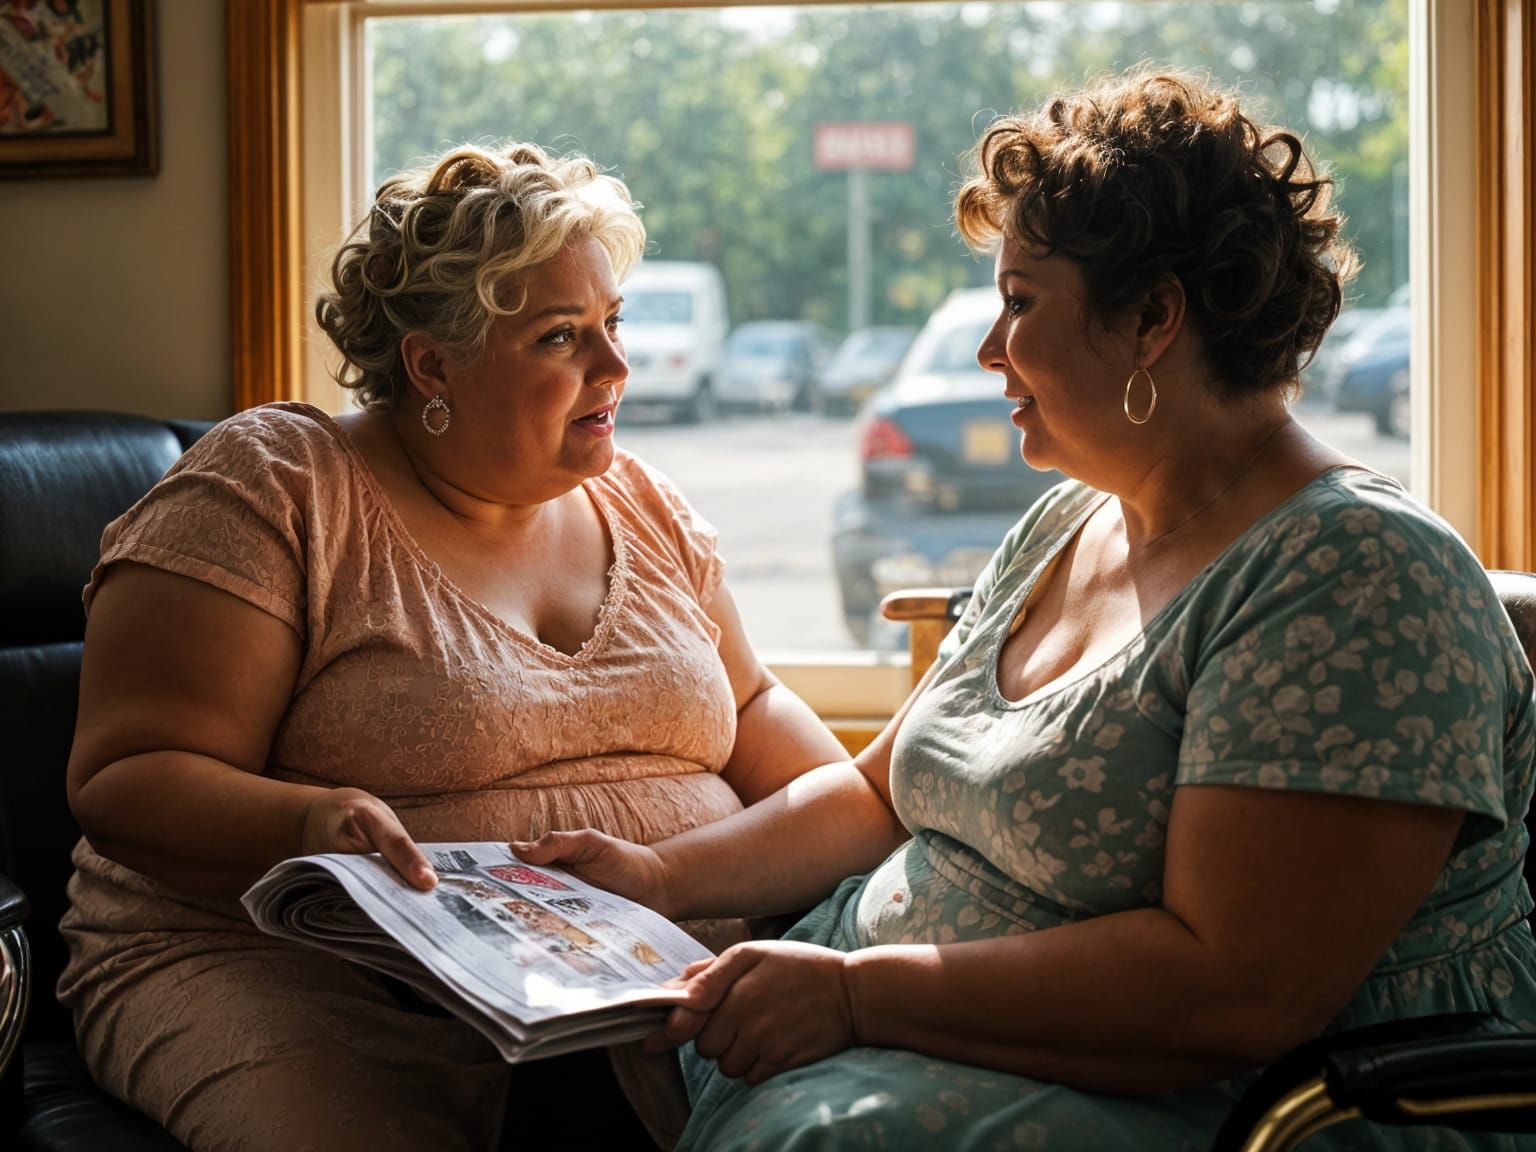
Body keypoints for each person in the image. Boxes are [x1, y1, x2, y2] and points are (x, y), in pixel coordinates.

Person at [513, 68, 1536, 1151]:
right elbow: (880, 795)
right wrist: (655, 880)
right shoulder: (1066, 526)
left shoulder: (1354, 574)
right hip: (930, 1025)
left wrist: (858, 996)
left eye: (1020, 302)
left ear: (1153, 319)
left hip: (1262, 1099)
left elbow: (1232, 992)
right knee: (546, 1072)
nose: (987, 349)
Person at [59, 141, 847, 1152]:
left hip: (634, 981)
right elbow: (124, 777)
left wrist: (680, 877)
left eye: (613, 325)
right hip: (300, 978)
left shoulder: (648, 506)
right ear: (434, 363)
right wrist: (310, 819)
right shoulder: (276, 487)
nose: (616, 367)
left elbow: (822, 787)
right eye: (563, 337)